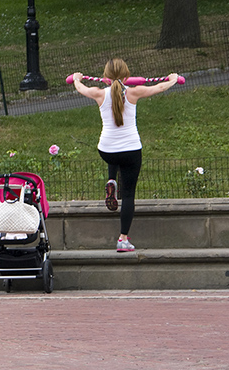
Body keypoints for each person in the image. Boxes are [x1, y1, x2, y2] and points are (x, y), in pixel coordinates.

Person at [72, 59, 178, 252]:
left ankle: (112, 179)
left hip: (106, 151)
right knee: (128, 195)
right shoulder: (134, 91)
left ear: (105, 78)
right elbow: (160, 87)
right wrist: (173, 79)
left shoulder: (98, 93)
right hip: (130, 151)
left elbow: (81, 88)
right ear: (127, 76)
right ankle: (122, 239)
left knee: (114, 156)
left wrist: (77, 79)